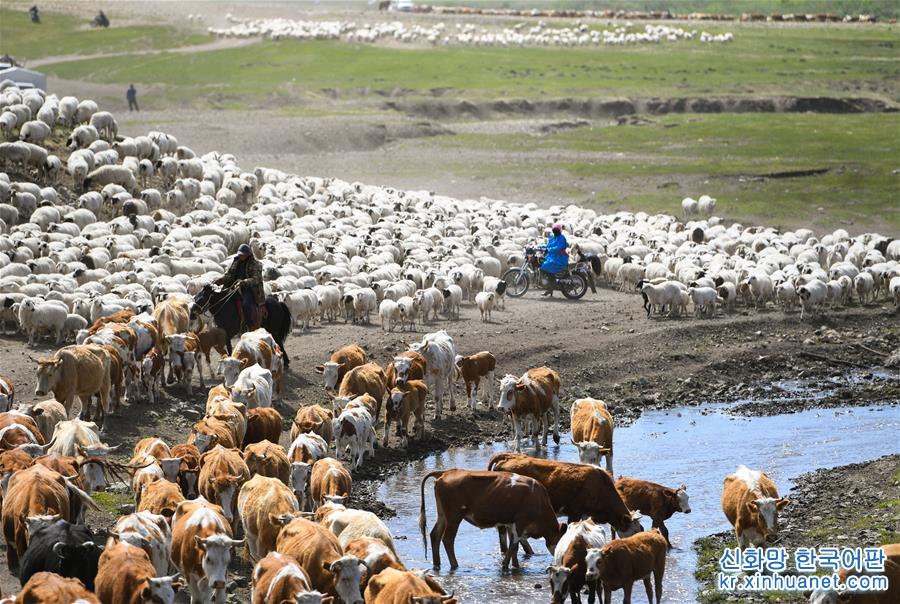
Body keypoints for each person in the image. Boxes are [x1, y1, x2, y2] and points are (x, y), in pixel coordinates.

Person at [215, 243, 266, 329]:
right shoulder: (236, 261)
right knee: (222, 300)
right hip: (234, 286)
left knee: (246, 304)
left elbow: (256, 278)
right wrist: (221, 280)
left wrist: (244, 282)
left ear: (248, 254)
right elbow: (230, 274)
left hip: (249, 289)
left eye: (243, 255)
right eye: (240, 255)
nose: (241, 256)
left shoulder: (255, 264)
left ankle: (250, 325)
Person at [540, 222, 568, 296]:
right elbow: (548, 245)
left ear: (559, 231)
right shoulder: (552, 237)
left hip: (560, 258)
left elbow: (558, 248)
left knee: (545, 266)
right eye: (554, 230)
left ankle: (551, 286)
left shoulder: (562, 238)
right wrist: (539, 246)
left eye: (557, 230)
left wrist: (549, 250)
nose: (555, 232)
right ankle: (549, 287)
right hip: (552, 257)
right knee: (542, 263)